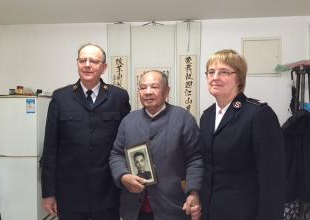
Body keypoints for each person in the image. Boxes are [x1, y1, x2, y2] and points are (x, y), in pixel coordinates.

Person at [39, 43, 131, 220]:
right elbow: (51, 148)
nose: (87, 65)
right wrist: (48, 193)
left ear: (103, 67)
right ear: (77, 64)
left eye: (94, 61)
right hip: (70, 192)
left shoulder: (118, 97)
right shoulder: (61, 97)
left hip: (108, 191)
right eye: (83, 60)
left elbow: (126, 143)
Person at [199, 49, 286, 220]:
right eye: (211, 72)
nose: (215, 77)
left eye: (224, 72)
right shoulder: (207, 116)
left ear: (238, 78)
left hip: (245, 213)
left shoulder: (258, 114)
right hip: (210, 212)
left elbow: (273, 179)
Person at [109, 70, 203, 220]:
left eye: (154, 87)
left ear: (167, 91)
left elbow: (195, 159)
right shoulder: (128, 121)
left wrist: (193, 191)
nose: (148, 92)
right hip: (134, 209)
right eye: (143, 87)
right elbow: (116, 155)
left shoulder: (184, 119)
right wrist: (123, 176)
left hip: (173, 207)